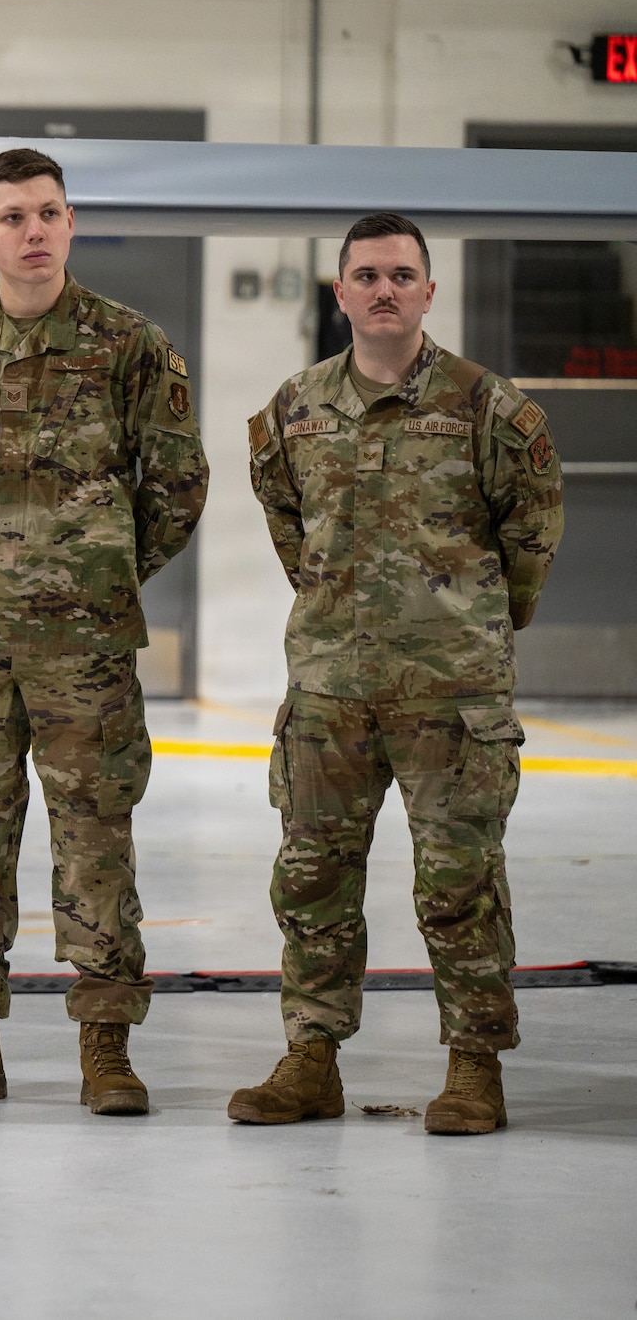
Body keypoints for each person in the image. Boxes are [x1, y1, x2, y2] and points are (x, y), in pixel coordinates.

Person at [0, 148, 207, 1113]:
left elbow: (179, 480)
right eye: (14, 215)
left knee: (96, 834)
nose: (34, 230)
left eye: (50, 213)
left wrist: (97, 571)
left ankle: (106, 1043)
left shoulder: (129, 344)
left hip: (86, 644)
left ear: (71, 225)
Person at [230, 213, 563, 1135]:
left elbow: (529, 544)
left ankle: (473, 1066)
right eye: (366, 274)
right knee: (311, 877)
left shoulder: (489, 407)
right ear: (340, 293)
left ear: (428, 291)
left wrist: (465, 631)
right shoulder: (293, 409)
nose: (384, 289)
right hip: (330, 692)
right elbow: (290, 529)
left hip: (451, 697)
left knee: (461, 882)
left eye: (402, 275)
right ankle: (311, 1058)